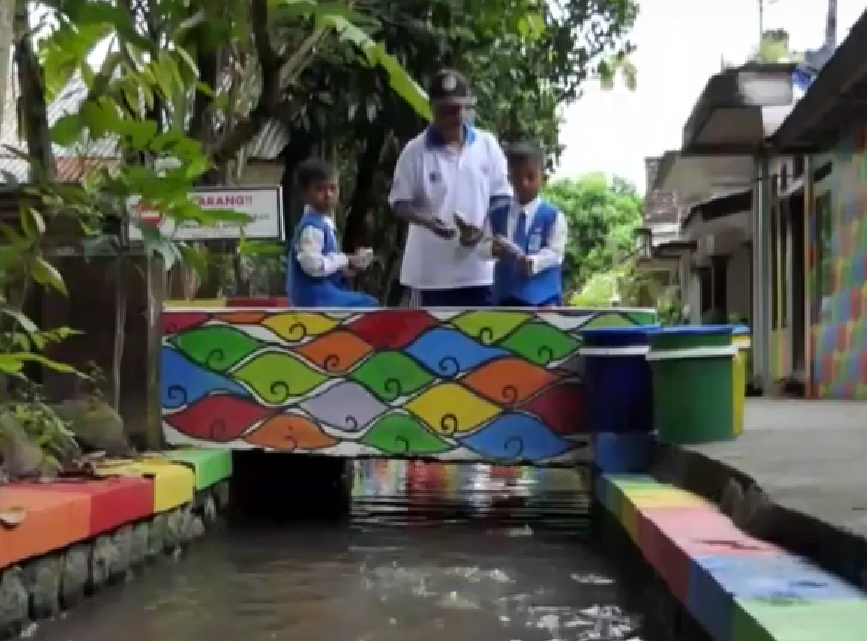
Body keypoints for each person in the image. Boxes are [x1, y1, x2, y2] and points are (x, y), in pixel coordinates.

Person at [388, 69, 512, 307]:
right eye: (445, 111)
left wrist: (495, 236)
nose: (454, 117)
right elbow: (399, 203)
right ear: (432, 108)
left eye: (458, 109)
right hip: (430, 276)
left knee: (480, 340)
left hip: (479, 273)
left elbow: (501, 197)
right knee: (430, 342)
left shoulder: (487, 145)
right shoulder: (415, 151)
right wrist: (429, 222)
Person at [476, 142, 567, 307]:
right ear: (509, 179)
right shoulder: (496, 214)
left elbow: (556, 253)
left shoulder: (553, 216)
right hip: (505, 300)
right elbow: (481, 248)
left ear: (543, 178)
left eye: (531, 177)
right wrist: (492, 249)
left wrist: (533, 263)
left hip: (544, 302)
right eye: (517, 177)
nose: (524, 183)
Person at [287, 158, 377, 308]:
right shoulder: (312, 227)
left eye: (333, 188)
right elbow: (313, 266)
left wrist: (354, 265)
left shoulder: (324, 223)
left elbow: (328, 266)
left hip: (325, 293)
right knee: (369, 305)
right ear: (304, 195)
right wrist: (346, 259)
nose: (328, 195)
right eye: (319, 189)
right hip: (313, 298)